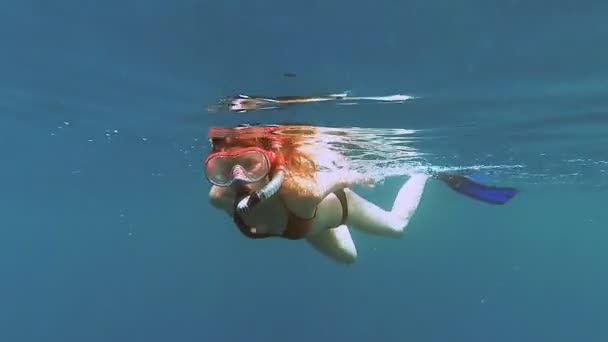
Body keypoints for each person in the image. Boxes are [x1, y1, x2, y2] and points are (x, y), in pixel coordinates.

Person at [204, 124, 518, 265]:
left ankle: (422, 171)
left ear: (269, 164)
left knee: (397, 227)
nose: (237, 177)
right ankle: (320, 221)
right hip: (305, 226)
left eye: (250, 165)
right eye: (224, 168)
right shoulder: (221, 198)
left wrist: (355, 175)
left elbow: (340, 177)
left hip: (331, 207)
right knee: (349, 259)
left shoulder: (302, 193)